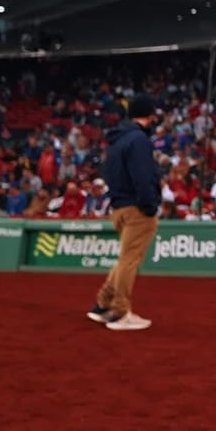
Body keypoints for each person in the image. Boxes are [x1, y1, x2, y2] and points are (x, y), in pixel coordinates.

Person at [89, 94, 161, 332]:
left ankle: (102, 304)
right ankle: (120, 312)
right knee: (130, 260)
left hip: (118, 206)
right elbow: (143, 177)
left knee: (125, 259)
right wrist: (149, 205)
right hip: (136, 208)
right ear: (150, 115)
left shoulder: (118, 140)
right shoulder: (139, 140)